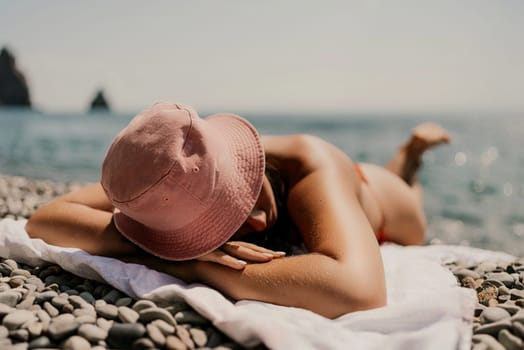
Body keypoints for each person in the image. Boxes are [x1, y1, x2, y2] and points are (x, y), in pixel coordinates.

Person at [25, 102, 450, 319]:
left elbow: (360, 291)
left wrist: (194, 268)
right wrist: (168, 250)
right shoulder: (165, 176)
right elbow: (44, 220)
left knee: (413, 206)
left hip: (374, 197)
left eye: (251, 194)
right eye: (223, 219)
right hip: (346, 199)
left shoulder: (307, 165)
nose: (261, 222)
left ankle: (410, 153)